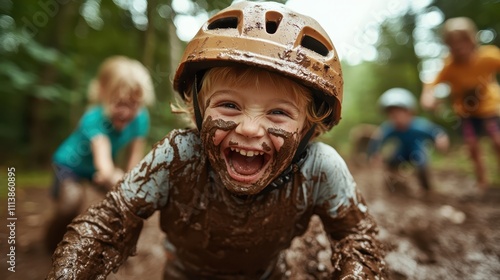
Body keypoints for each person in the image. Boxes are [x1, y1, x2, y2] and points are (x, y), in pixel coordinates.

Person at [47, 2, 386, 279]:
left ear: (310, 129)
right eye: (228, 105)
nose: (250, 129)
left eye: (278, 113)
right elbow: (111, 220)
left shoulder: (320, 168)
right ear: (198, 111)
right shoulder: (177, 156)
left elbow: (356, 238)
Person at [44, 56, 155, 252]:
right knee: (70, 202)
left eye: (133, 104)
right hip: (70, 165)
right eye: (119, 103)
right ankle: (50, 245)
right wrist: (113, 175)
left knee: (128, 202)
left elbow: (134, 155)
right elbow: (103, 162)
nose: (126, 112)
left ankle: (118, 249)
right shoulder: (93, 118)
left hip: (95, 169)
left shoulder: (140, 119)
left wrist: (131, 184)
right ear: (104, 95)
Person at [420, 17, 500, 191]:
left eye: (462, 41)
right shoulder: (449, 66)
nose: (458, 47)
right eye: (452, 43)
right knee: (472, 146)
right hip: (466, 113)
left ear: (471, 39)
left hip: (489, 109)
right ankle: (482, 180)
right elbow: (431, 83)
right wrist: (428, 96)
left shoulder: (488, 56)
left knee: (497, 141)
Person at [368, 88, 449, 191]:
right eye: (391, 114)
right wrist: (375, 153)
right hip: (401, 152)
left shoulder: (418, 125)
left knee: (422, 162)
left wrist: (441, 138)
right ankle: (395, 185)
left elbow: (436, 131)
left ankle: (426, 188)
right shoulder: (390, 128)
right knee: (391, 162)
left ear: (409, 112)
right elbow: (378, 139)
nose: (395, 116)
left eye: (398, 112)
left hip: (417, 150)